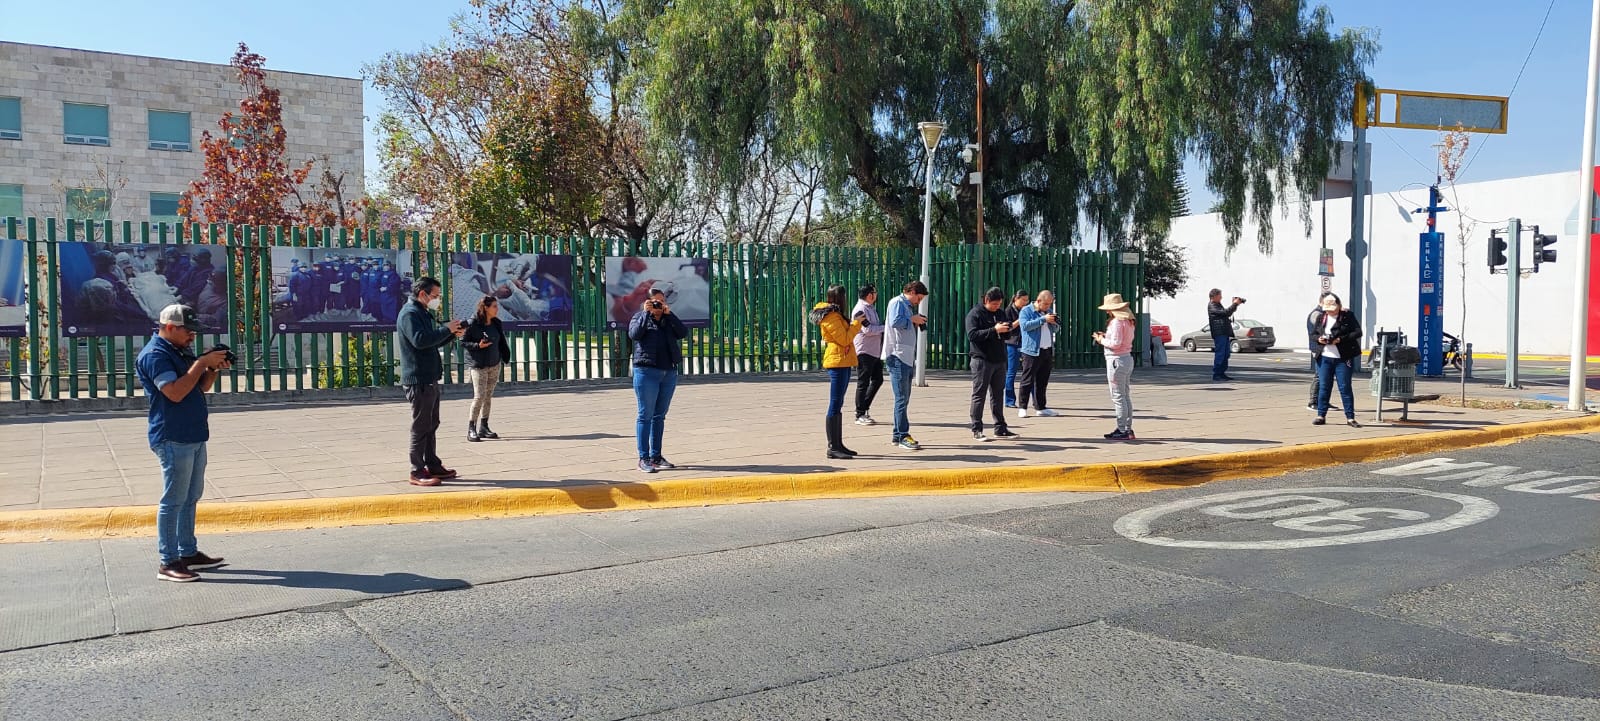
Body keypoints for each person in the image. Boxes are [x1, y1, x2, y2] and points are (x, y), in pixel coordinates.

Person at [135, 304, 232, 582]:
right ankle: (168, 561)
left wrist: (212, 368)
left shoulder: (179, 351)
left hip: (193, 433)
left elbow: (199, 387)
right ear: (168, 327)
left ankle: (187, 552)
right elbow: (175, 393)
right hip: (172, 435)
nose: (192, 336)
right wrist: (201, 362)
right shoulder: (155, 355)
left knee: (191, 496)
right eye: (188, 331)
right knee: (173, 500)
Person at [398, 277, 466, 486]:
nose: (437, 300)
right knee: (421, 426)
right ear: (422, 294)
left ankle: (433, 464)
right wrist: (447, 329)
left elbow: (431, 341)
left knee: (431, 424)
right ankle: (417, 470)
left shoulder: (422, 312)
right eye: (435, 296)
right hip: (418, 379)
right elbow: (420, 341)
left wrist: (452, 334)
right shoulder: (410, 314)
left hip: (429, 378)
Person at [630, 287, 688, 472]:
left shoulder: (668, 320)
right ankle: (643, 458)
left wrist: (670, 316)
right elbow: (634, 334)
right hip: (646, 372)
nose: (659, 305)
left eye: (662, 301)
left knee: (659, 416)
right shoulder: (639, 317)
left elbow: (683, 333)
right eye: (655, 302)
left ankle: (656, 456)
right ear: (647, 302)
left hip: (668, 372)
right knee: (645, 415)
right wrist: (647, 314)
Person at [812, 284, 865, 459]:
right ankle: (832, 447)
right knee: (835, 403)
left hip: (843, 360)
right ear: (839, 298)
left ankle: (838, 444)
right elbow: (844, 339)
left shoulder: (835, 315)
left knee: (839, 402)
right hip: (837, 361)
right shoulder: (831, 316)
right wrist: (857, 324)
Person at [965, 287, 1018, 441]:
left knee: (997, 395)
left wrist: (1007, 329)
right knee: (979, 394)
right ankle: (977, 428)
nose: (997, 307)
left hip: (999, 359)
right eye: (994, 304)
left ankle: (1000, 428)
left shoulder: (1000, 313)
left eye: (999, 304)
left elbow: (1007, 333)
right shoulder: (975, 314)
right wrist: (994, 330)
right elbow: (972, 335)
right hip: (981, 359)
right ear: (986, 300)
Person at [883, 280, 928, 450]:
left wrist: (914, 320)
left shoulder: (906, 306)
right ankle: (902, 435)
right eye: (919, 298)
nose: (919, 302)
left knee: (904, 398)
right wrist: (912, 319)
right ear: (913, 292)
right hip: (897, 355)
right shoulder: (897, 302)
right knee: (901, 398)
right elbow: (895, 322)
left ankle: (897, 434)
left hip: (906, 355)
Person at [462, 295, 512, 442]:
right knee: (479, 396)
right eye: (494, 306)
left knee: (488, 396)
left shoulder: (496, 323)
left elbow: (501, 340)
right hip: (479, 365)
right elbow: (463, 342)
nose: (497, 309)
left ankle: (484, 426)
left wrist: (504, 356)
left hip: (494, 363)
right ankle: (471, 428)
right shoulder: (473, 323)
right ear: (485, 308)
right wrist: (478, 345)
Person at [1310, 291, 1363, 428]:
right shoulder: (1321, 317)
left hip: (1342, 357)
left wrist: (1339, 339)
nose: (1331, 313)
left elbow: (1358, 332)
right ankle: (1321, 415)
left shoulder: (1347, 316)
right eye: (1328, 310)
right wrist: (1319, 339)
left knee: (1345, 387)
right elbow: (1314, 334)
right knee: (1324, 386)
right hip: (1325, 356)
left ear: (1339, 306)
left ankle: (1350, 417)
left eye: (1333, 310)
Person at [1092, 293, 1138, 440]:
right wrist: (1106, 336)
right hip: (1126, 358)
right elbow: (1121, 340)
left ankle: (1122, 428)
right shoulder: (1129, 321)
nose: (1107, 312)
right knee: (1125, 395)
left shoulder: (1117, 322)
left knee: (1118, 396)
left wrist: (1101, 340)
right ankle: (1128, 428)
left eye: (1109, 309)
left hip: (1116, 360)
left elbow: (1115, 344)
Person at [1016, 289, 1061, 418]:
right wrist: (1043, 319)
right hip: (1031, 351)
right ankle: (1022, 407)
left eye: (1050, 304)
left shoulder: (1049, 312)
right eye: (1046, 304)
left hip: (1046, 349)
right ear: (1039, 300)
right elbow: (1025, 326)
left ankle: (1041, 406)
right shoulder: (1026, 311)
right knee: (1027, 379)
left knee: (1043, 380)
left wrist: (1054, 323)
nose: (1048, 307)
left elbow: (1055, 330)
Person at [851, 284, 885, 426]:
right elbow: (868, 329)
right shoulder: (860, 309)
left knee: (878, 379)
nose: (876, 295)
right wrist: (886, 327)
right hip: (864, 350)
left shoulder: (871, 308)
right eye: (874, 293)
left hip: (874, 350)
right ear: (870, 295)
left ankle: (864, 407)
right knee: (863, 382)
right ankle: (860, 413)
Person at [1207, 288, 1244, 382]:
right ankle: (1217, 374)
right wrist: (1234, 304)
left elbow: (1228, 313)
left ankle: (1222, 373)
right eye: (1220, 295)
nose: (1221, 297)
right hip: (1219, 333)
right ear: (1214, 296)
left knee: (1226, 354)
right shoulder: (1212, 306)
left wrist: (1235, 305)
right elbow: (1225, 313)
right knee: (1220, 353)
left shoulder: (1218, 305)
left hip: (1224, 332)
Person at [1002, 290, 1029, 408]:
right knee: (1011, 372)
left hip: (1025, 342)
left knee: (1029, 371)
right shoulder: (1008, 311)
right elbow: (1008, 328)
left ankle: (1031, 400)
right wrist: (1020, 320)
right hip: (1012, 343)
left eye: (1027, 300)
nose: (1025, 303)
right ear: (1015, 299)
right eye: (1023, 300)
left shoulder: (1026, 311)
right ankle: (1009, 400)